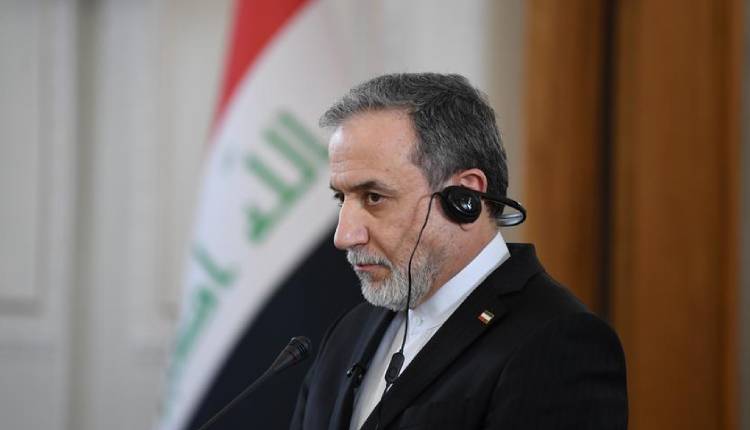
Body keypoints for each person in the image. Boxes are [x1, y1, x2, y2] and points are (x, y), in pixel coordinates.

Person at [290, 73, 628, 429]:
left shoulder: (559, 344)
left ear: (465, 197)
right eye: (341, 198)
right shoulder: (350, 332)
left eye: (374, 197)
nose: (344, 236)